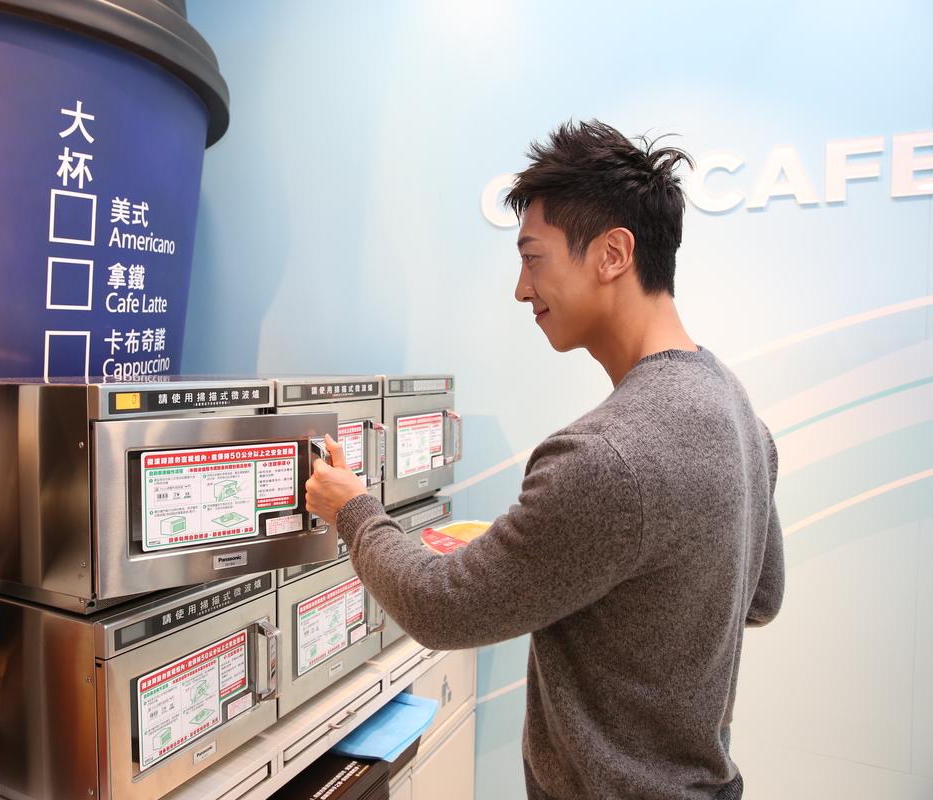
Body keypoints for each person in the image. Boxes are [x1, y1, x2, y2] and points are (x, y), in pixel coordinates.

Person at [305, 120, 785, 800]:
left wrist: (352, 509)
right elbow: (760, 598)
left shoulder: (604, 457)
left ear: (613, 254)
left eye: (534, 259)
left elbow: (442, 609)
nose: (521, 290)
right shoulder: (736, 407)